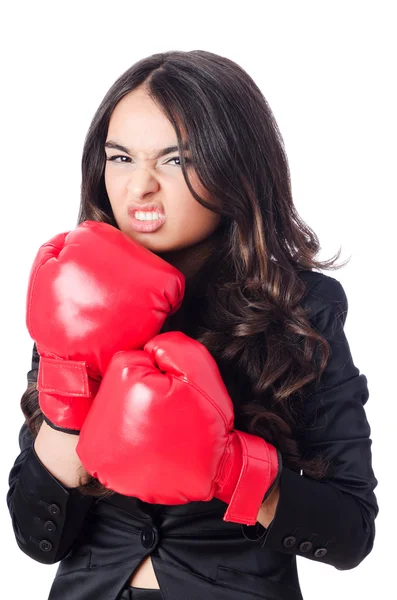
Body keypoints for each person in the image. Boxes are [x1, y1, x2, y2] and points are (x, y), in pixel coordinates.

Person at [6, 49, 378, 600]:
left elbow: (351, 532)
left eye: (176, 160)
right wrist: (68, 397)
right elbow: (37, 539)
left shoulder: (301, 308)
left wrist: (231, 470)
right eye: (121, 157)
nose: (141, 186)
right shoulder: (75, 288)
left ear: (234, 165)